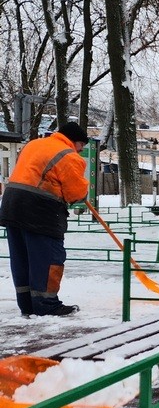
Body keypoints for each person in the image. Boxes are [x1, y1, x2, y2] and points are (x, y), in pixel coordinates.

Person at [0, 122, 90, 317]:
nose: (81, 150)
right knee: (48, 258)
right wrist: (84, 189)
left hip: (12, 204)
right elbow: (75, 193)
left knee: (22, 257)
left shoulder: (35, 144)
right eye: (82, 145)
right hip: (40, 209)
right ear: (74, 141)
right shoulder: (69, 155)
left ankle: (27, 305)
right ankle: (47, 305)